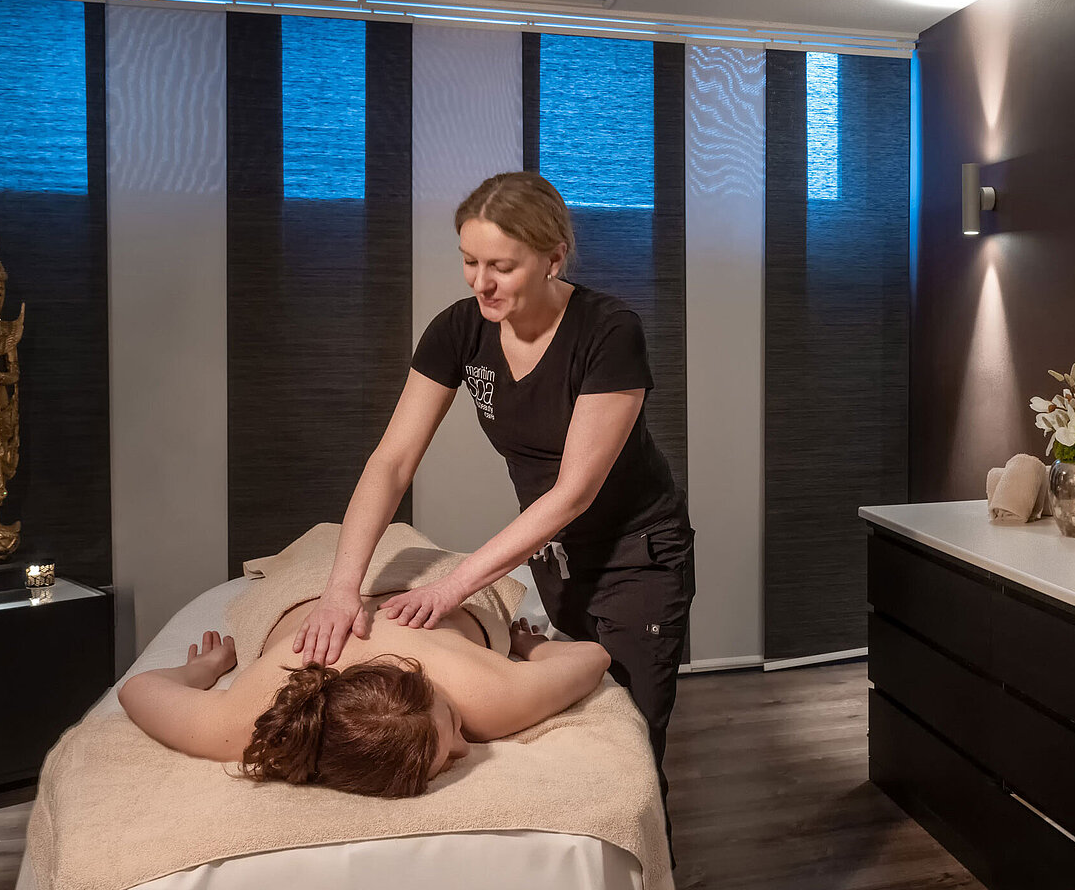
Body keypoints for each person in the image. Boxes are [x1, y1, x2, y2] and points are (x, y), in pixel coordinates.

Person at [292, 171, 696, 802]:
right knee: (577, 723)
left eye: (501, 266)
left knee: (631, 743)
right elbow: (392, 461)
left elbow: (573, 492)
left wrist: (454, 586)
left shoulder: (608, 330)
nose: (481, 282)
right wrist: (341, 590)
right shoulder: (460, 329)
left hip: (636, 556)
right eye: (469, 261)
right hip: (554, 555)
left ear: (553, 258)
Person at [118, 605, 609, 797]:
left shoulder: (484, 694)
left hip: (433, 590)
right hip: (308, 597)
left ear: (427, 682)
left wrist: (531, 647)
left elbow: (596, 655)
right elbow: (589, 657)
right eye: (458, 733)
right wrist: (201, 669)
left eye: (453, 724)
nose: (466, 748)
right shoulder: (249, 722)